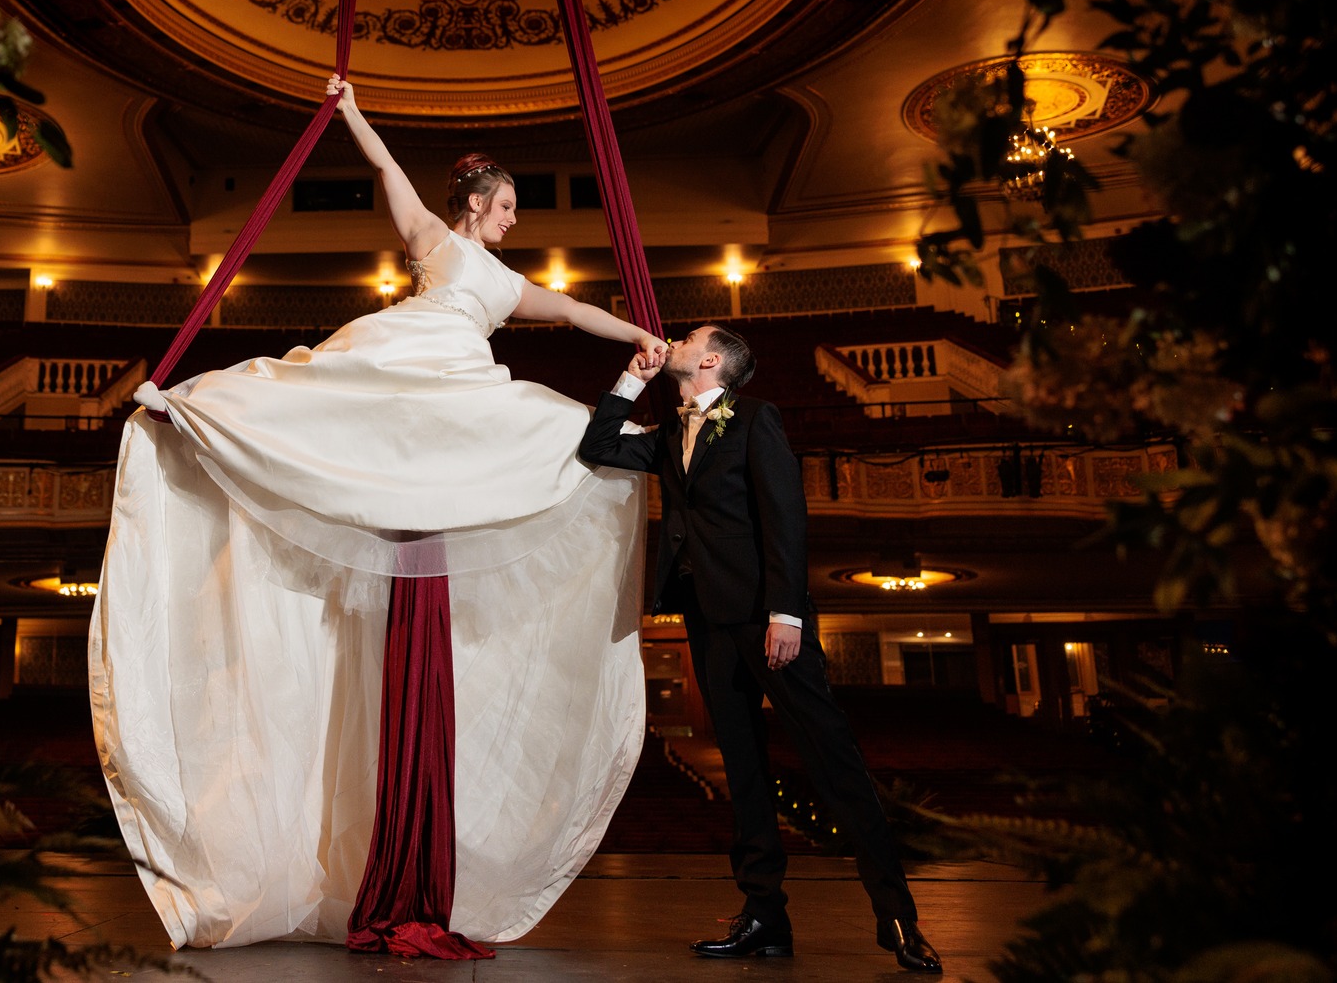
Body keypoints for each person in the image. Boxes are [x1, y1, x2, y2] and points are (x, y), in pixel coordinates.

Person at [93, 77, 666, 957]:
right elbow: (387, 167)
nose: (515, 219)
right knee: (293, 392)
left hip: (458, 391)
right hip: (394, 366)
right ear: (476, 205)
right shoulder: (436, 241)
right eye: (507, 206)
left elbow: (576, 308)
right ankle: (189, 413)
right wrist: (349, 107)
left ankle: (457, 488)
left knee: (558, 426)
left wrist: (635, 339)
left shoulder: (507, 286)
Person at [578, 327, 944, 973]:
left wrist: (785, 613)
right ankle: (764, 918)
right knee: (742, 769)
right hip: (707, 618)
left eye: (689, 338)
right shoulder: (669, 433)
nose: (677, 339)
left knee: (834, 762)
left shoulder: (755, 420)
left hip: (769, 619)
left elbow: (785, 517)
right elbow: (599, 444)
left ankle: (898, 918)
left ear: (712, 360)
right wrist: (633, 375)